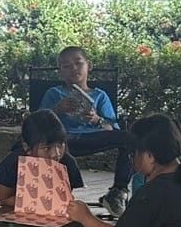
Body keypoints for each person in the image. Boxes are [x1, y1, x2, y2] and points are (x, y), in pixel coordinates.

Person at [37, 47, 126, 205]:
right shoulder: (54, 93)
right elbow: (38, 122)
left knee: (130, 138)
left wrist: (96, 119)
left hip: (93, 137)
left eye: (78, 63)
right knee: (50, 143)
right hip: (64, 139)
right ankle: (59, 194)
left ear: (88, 66)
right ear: (60, 71)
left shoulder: (100, 96)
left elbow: (112, 128)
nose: (74, 69)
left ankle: (118, 191)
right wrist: (58, 109)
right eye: (67, 66)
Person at [0, 109, 83, 219]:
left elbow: (63, 198)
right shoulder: (14, 162)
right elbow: (4, 199)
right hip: (12, 212)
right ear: (27, 147)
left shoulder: (68, 164)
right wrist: (36, 200)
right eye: (47, 148)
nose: (56, 154)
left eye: (60, 145)